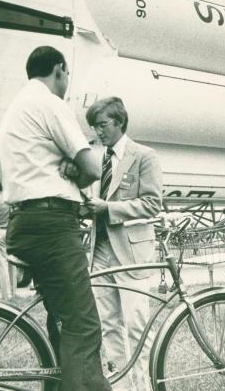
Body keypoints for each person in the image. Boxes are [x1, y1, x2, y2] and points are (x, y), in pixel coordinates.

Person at [0, 45, 109, 391]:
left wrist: (66, 166)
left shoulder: (17, 107)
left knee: (61, 319)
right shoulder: (50, 103)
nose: (67, 83)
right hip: (52, 226)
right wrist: (76, 169)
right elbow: (91, 167)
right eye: (67, 75)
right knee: (84, 324)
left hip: (24, 222)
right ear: (58, 69)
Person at [85, 97, 162, 391]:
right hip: (100, 252)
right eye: (94, 126)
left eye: (102, 125)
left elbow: (152, 204)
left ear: (119, 122)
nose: (98, 131)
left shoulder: (144, 155)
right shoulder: (96, 159)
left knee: (136, 325)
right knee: (109, 325)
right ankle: (120, 387)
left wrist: (109, 209)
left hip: (131, 254)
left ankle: (144, 387)